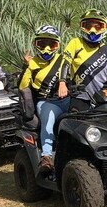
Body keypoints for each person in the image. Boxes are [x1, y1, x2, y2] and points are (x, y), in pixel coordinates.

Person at [18, 25, 69, 173]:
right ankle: (46, 156)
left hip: (67, 100)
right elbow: (22, 86)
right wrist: (26, 66)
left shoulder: (64, 59)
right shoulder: (32, 63)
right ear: (36, 44)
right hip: (47, 102)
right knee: (48, 121)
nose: (46, 48)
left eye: (51, 44)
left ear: (57, 45)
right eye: (42, 44)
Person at [62, 8, 107, 107]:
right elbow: (65, 63)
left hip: (104, 94)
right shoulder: (75, 43)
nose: (92, 30)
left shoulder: (106, 49)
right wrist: (62, 83)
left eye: (98, 27)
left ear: (104, 28)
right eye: (88, 26)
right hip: (81, 95)